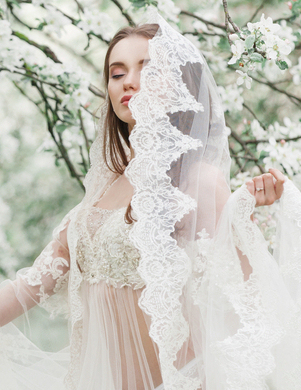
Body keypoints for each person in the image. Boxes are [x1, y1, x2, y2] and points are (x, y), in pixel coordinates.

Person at [1, 10, 301, 390]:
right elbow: (30, 285)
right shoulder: (105, 185)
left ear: (179, 84)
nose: (129, 82)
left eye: (147, 68)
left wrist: (248, 210)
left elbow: (247, 303)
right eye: (117, 72)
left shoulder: (198, 180)